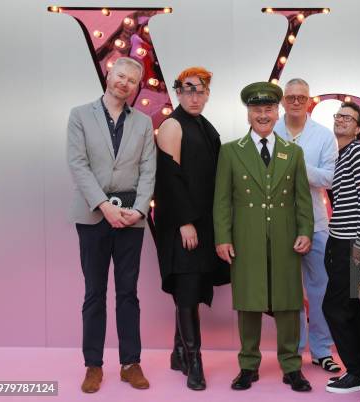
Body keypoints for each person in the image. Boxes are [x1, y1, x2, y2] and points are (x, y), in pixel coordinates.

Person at [213, 81, 315, 392]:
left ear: (277, 112)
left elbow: (302, 199)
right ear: (248, 114)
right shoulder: (231, 151)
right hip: (246, 237)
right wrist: (222, 238)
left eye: (269, 108)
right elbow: (222, 200)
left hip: (285, 237)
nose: (263, 114)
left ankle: (291, 366)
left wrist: (305, 231)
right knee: (248, 302)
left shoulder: (293, 152)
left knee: (287, 302)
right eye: (257, 109)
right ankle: (248, 366)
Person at [66, 57, 156, 393]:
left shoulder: (144, 122)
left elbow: (149, 169)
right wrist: (103, 206)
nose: (125, 83)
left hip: (131, 217)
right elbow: (78, 163)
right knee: (94, 293)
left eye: (133, 80)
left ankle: (131, 363)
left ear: (136, 87)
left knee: (128, 293)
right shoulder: (80, 115)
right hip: (92, 215)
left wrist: (139, 209)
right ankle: (93, 365)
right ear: (109, 74)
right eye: (121, 75)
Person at [154, 66, 227, 390]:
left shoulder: (204, 126)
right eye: (188, 89)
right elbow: (169, 178)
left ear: (208, 94)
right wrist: (185, 222)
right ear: (178, 92)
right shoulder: (172, 125)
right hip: (180, 223)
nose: (194, 95)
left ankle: (177, 351)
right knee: (186, 290)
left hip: (204, 223)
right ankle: (193, 360)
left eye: (201, 90)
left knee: (193, 289)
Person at [274, 78, 340, 373]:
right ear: (283, 101)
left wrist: (294, 161)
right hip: (278, 223)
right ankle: (294, 351)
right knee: (288, 290)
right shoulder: (268, 129)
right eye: (291, 97)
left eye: (302, 97)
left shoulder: (324, 135)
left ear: (309, 100)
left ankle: (322, 349)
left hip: (315, 222)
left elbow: (328, 179)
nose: (296, 101)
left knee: (321, 289)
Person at [323, 102, 360, 393]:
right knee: (350, 308)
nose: (341, 120)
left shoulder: (358, 152)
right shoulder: (341, 155)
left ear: (358, 128)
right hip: (338, 240)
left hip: (350, 245)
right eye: (338, 115)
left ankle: (356, 371)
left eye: (348, 117)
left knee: (336, 307)